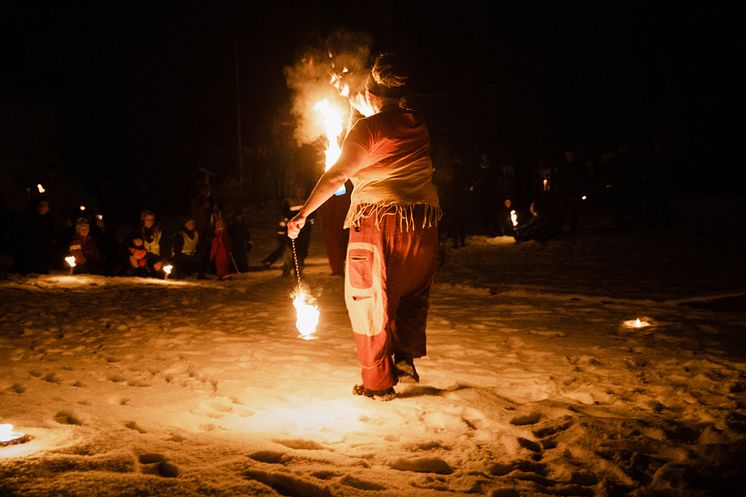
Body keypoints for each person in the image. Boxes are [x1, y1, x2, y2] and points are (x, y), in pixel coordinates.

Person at [287, 52, 441, 401]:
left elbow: (338, 175)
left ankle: (378, 384)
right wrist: (371, 107)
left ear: (371, 95)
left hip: (379, 223)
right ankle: (402, 359)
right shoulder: (416, 121)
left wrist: (303, 214)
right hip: (422, 227)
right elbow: (387, 123)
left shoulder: (366, 129)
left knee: (369, 300)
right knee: (410, 295)